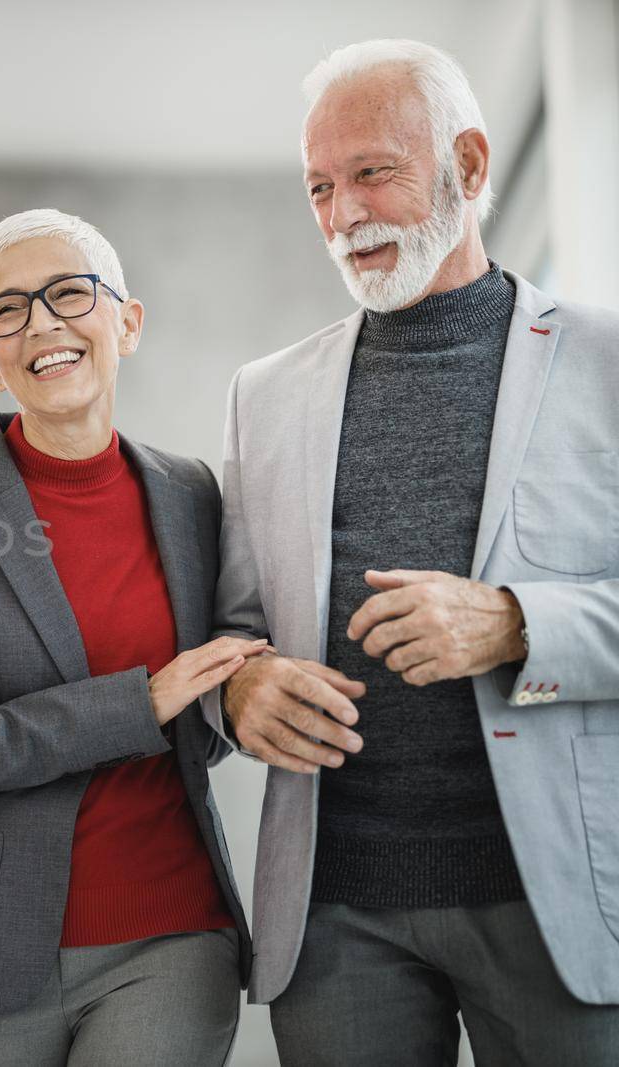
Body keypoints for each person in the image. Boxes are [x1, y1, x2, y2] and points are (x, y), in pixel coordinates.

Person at [205, 38, 619, 1063]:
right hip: (336, 913)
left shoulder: (609, 362)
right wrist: (240, 687)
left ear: (468, 167)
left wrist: (517, 622)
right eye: (318, 187)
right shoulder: (262, 394)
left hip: (559, 897)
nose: (343, 215)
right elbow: (233, 622)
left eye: (371, 173)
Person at [0, 208, 260, 1066]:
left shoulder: (192, 494)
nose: (41, 321)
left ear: (127, 322)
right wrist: (134, 703)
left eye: (68, 293)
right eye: (6, 310)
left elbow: (201, 718)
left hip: (173, 932)